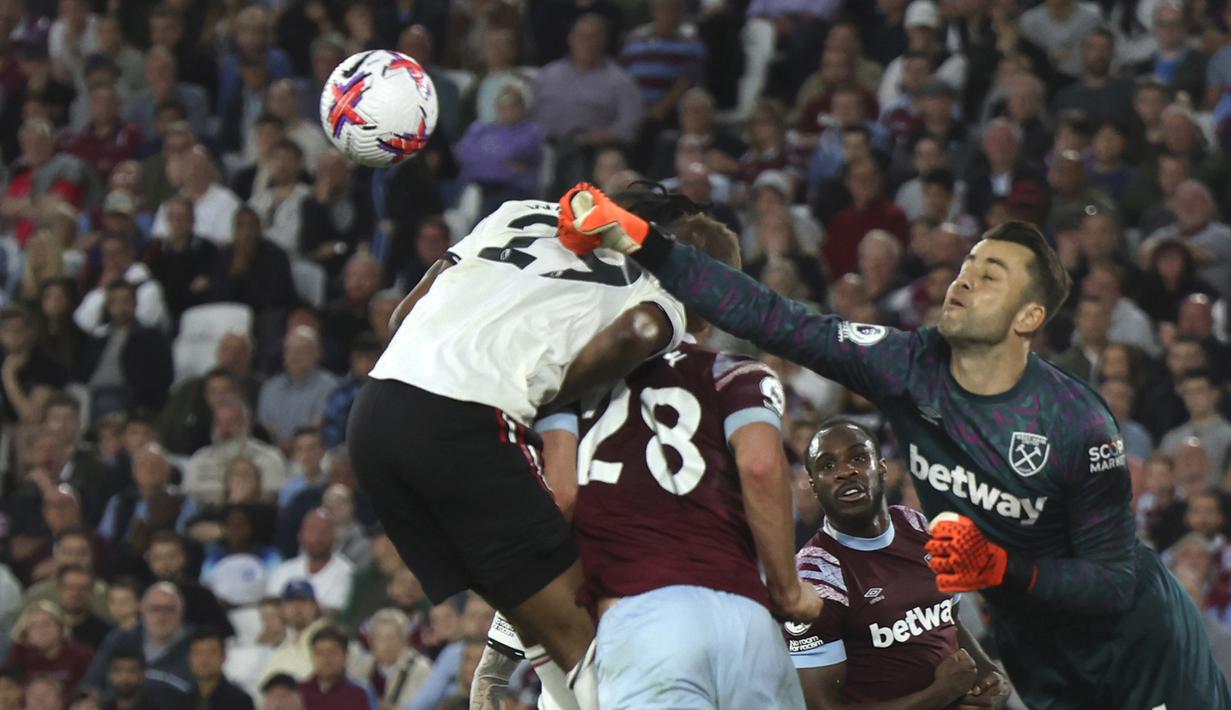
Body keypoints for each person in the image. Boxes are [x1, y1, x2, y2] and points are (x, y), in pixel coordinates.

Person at [556, 183, 1231, 708]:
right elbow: (773, 317)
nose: (964, 278)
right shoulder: (906, 365)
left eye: (990, 274)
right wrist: (639, 237)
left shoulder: (1075, 422)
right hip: (1035, 645)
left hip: (1140, 648)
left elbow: (1112, 585)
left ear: (1029, 318)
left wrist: (998, 567)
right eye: (968, 263)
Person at [347, 190, 738, 707]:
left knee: (543, 624)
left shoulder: (520, 212)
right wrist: (550, 391)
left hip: (376, 415)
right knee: (587, 637)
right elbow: (630, 339)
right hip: (469, 419)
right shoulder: (659, 294)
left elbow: (403, 316)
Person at [527, 221, 819, 708]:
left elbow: (561, 499)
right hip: (747, 617)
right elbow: (763, 467)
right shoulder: (738, 372)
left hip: (642, 618)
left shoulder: (569, 385)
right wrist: (787, 591)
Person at [787, 421, 1009, 708]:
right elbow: (822, 707)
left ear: (882, 468)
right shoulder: (816, 576)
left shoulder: (917, 525)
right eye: (828, 466)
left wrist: (988, 673)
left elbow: (949, 620)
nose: (845, 472)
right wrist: (939, 695)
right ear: (814, 487)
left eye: (858, 458)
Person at [297, 626, 372, 710]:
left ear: (345, 656)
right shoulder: (299, 692)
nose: (326, 658)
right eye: (320, 652)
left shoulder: (358, 694)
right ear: (312, 657)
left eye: (332, 652)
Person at [187, 627, 255, 710]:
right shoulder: (182, 701)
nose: (204, 659)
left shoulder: (240, 701)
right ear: (189, 658)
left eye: (211, 652)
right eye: (198, 653)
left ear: (223, 657)